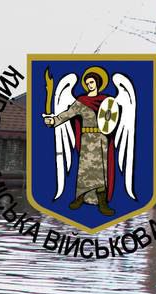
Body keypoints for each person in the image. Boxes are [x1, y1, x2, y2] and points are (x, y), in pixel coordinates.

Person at [41, 67, 115, 216]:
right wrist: (53, 120)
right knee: (85, 171)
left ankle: (102, 202)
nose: (90, 85)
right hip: (87, 140)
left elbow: (113, 120)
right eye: (87, 83)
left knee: (101, 172)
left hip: (101, 139)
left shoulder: (107, 101)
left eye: (92, 82)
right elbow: (68, 114)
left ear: (98, 83)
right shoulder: (81, 101)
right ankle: (80, 198)